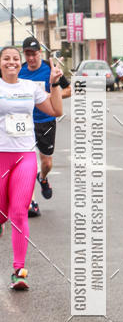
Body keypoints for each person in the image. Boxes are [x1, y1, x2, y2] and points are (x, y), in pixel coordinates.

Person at [0, 46, 63, 288]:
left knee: (18, 211)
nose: (12, 62)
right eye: (6, 59)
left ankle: (19, 271)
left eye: (15, 59)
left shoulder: (29, 87)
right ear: (0, 63)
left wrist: (54, 84)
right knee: (2, 212)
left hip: (24, 157)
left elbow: (55, 110)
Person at [18, 36, 70, 215]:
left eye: (34, 53)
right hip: (24, 123)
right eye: (27, 54)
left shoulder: (49, 69)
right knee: (27, 163)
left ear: (39, 52)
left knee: (46, 163)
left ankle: (43, 178)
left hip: (46, 121)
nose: (31, 58)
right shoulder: (20, 71)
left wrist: (51, 96)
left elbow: (69, 90)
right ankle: (31, 202)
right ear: (24, 54)